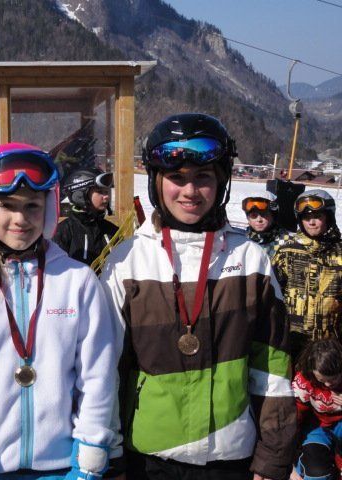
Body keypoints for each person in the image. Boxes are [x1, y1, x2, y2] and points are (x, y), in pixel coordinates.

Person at [101, 113, 296, 480]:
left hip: (231, 459)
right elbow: (105, 369)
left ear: (221, 181)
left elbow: (271, 366)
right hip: (148, 459)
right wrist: (109, 456)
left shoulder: (250, 260)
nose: (189, 191)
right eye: (177, 178)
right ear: (156, 182)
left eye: (203, 177)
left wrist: (273, 457)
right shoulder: (127, 261)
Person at [0, 143, 124, 479]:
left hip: (63, 465)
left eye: (32, 206)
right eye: (7, 206)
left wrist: (89, 455)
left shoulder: (77, 281)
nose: (20, 219)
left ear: (49, 208)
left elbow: (97, 375)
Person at [273, 189, 342, 359]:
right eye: (305, 217)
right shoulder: (287, 251)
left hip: (329, 346)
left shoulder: (339, 253)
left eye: (317, 216)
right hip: (290, 342)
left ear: (329, 216)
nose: (311, 222)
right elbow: (271, 296)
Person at [292, 339, 342, 480]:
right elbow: (295, 416)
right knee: (316, 473)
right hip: (316, 425)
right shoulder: (305, 380)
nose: (328, 385)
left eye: (333, 379)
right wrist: (289, 456)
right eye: (322, 380)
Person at [53, 166, 118, 267]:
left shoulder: (112, 231)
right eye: (100, 192)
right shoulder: (63, 232)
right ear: (80, 195)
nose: (106, 196)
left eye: (106, 192)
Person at [241, 191, 291, 258]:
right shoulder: (241, 240)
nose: (259, 220)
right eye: (253, 216)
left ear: (273, 216)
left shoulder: (288, 242)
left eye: (264, 215)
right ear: (248, 219)